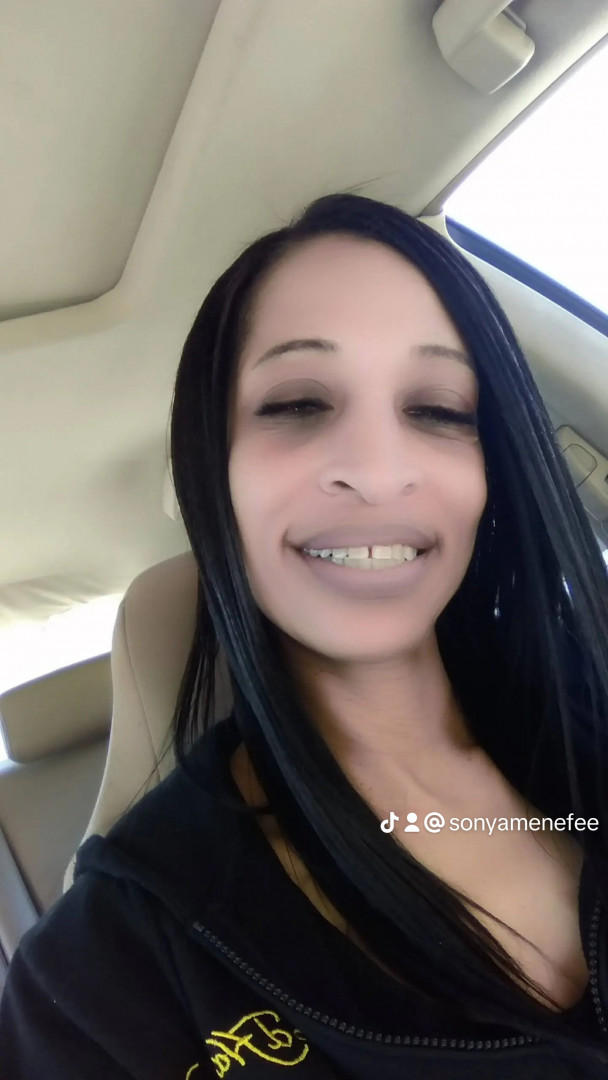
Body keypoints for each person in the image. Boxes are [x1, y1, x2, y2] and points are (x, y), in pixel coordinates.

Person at [1, 192, 608, 1079]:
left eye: (440, 409)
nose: (377, 471)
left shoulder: (585, 709)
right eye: (296, 402)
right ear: (214, 474)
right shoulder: (107, 973)